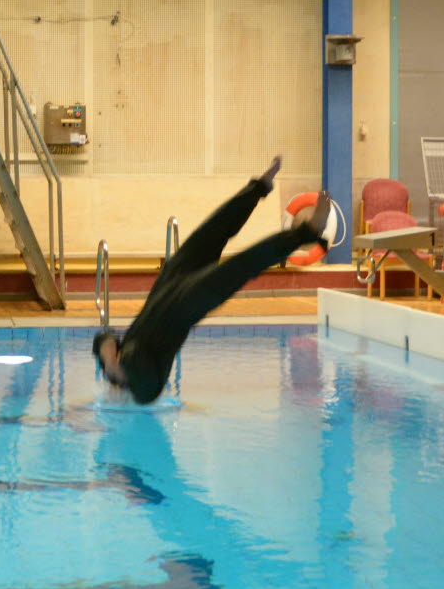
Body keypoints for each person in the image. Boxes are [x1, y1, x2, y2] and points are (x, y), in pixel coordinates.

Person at [93, 157, 331, 404]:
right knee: (238, 267)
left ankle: (258, 188)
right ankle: (307, 232)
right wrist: (115, 362)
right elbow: (133, 361)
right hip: (183, 306)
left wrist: (110, 360)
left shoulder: (117, 371)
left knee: (208, 233)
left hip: (167, 287)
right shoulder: (145, 389)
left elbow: (103, 337)